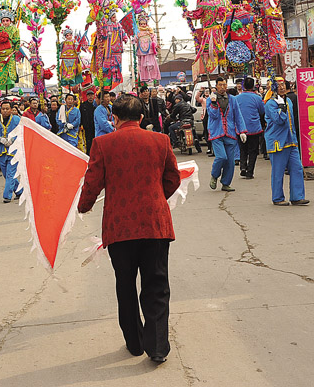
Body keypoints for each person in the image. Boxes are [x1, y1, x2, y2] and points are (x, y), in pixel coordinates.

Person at [77, 94, 181, 364]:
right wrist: (156, 197)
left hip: (120, 227)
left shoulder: (103, 143)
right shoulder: (161, 140)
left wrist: (83, 206)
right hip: (155, 224)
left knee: (125, 285)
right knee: (156, 284)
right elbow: (173, 178)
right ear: (142, 117)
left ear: (115, 118)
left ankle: (134, 343)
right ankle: (157, 347)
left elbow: (92, 184)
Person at [265, 79, 308, 205]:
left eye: (283, 84)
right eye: (278, 86)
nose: (281, 87)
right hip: (277, 142)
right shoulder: (270, 104)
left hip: (291, 140)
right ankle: (278, 198)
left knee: (297, 169)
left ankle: (297, 197)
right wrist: (281, 108)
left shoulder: (288, 100)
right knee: (278, 172)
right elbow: (278, 120)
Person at [205, 77, 247, 192]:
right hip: (216, 132)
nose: (223, 87)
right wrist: (213, 103)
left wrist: (242, 131)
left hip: (230, 133)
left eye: (224, 85)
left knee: (230, 161)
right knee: (221, 157)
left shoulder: (232, 99)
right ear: (216, 86)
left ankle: (226, 183)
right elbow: (212, 115)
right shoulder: (210, 99)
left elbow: (238, 115)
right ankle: (214, 176)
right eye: (220, 85)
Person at [0, 100, 21, 203]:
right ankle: (20, 191)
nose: (5, 111)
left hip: (13, 151)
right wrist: (0, 139)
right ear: (0, 110)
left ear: (11, 110)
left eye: (7, 109)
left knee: (10, 174)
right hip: (1, 151)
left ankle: (7, 196)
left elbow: (21, 132)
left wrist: (12, 139)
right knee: (6, 174)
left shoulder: (16, 119)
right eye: (3, 109)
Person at [233, 77, 265, 179]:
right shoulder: (257, 98)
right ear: (253, 86)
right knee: (253, 151)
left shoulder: (237, 98)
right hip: (254, 128)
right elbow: (262, 111)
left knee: (243, 149)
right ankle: (250, 171)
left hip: (240, 128)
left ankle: (243, 167)